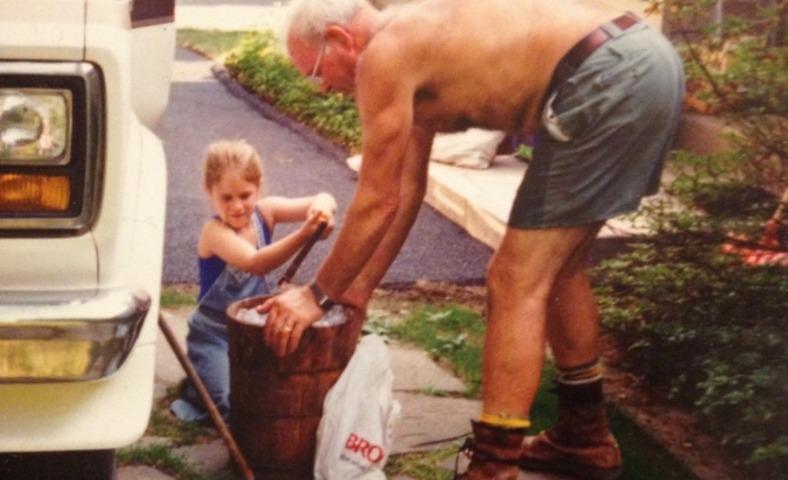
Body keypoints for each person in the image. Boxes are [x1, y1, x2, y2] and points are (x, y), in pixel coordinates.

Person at [260, 0, 685, 478]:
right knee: (558, 270)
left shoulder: (385, 54)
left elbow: (375, 199)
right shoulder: (410, 42)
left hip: (607, 74)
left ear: (341, 40)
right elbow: (403, 189)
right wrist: (356, 292)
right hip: (638, 59)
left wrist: (317, 295)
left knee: (514, 278)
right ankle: (583, 437)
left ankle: (493, 466)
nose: (320, 89)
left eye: (315, 71)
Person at [170, 139, 337, 423]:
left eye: (245, 195)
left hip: (254, 330)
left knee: (282, 391)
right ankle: (198, 383)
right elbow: (256, 264)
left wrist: (321, 210)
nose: (237, 206)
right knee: (230, 405)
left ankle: (210, 378)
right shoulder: (214, 232)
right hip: (214, 336)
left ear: (258, 187)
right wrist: (305, 233)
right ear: (209, 193)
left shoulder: (266, 212)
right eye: (226, 198)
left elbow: (324, 197)